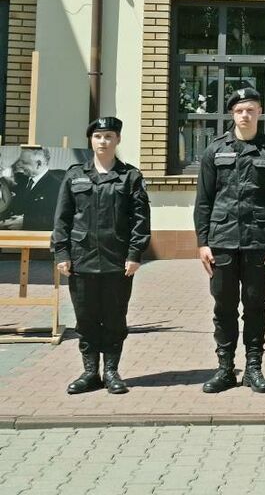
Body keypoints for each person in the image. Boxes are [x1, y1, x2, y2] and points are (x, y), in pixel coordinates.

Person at [193, 87, 265, 394]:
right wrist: (202, 242)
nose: (245, 115)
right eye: (239, 111)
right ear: (232, 114)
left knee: (254, 306)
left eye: (250, 109)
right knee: (223, 307)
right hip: (221, 241)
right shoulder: (214, 150)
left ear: (260, 112)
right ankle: (225, 369)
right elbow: (204, 201)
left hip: (258, 243)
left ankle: (253, 368)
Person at [51, 117, 150, 395]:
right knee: (86, 318)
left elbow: (140, 220)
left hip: (117, 260)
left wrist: (134, 253)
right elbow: (62, 219)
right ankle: (89, 372)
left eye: (108, 136)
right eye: (98, 136)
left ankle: (111, 371)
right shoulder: (74, 176)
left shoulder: (130, 176)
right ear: (91, 141)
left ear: (117, 140)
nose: (103, 141)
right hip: (80, 260)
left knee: (115, 318)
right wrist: (62, 253)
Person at [5, 146, 66, 231]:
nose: (19, 165)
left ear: (39, 164)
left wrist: (26, 223)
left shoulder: (57, 187)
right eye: (20, 161)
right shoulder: (21, 181)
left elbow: (59, 220)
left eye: (24, 162)